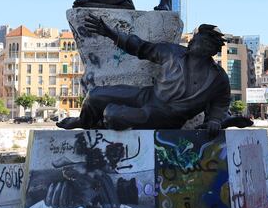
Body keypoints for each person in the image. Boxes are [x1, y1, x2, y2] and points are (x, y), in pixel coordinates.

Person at [57, 17, 232, 136]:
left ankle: (102, 123)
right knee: (95, 95)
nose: (192, 41)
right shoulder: (173, 52)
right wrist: (110, 33)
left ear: (210, 49)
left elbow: (221, 103)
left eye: (198, 39)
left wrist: (215, 120)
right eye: (194, 38)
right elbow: (141, 47)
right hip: (149, 95)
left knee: (112, 114)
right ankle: (84, 121)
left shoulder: (218, 78)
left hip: (167, 116)